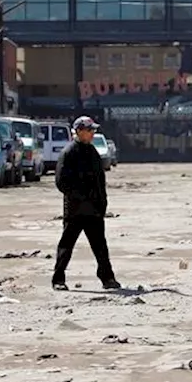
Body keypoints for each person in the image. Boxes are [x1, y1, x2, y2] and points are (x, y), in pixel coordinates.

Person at [52, 116, 120, 291]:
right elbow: (61, 182)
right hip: (75, 210)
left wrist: (102, 202)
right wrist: (80, 197)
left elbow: (100, 180)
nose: (92, 133)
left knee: (100, 246)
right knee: (66, 245)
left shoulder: (92, 152)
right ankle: (58, 278)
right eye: (89, 130)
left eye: (93, 130)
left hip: (94, 209)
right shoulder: (68, 153)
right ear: (79, 131)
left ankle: (107, 278)